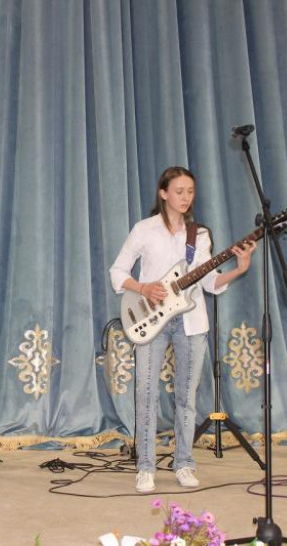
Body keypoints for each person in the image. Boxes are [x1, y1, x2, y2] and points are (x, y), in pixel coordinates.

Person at [109, 166, 256, 493]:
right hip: (150, 319)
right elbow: (117, 272)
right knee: (146, 393)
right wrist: (144, 288)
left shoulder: (199, 235)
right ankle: (145, 466)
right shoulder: (144, 229)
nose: (185, 197)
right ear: (163, 193)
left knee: (186, 396)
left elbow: (210, 281)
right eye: (179, 191)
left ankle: (184, 463)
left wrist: (239, 269)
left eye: (190, 191)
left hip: (191, 320)